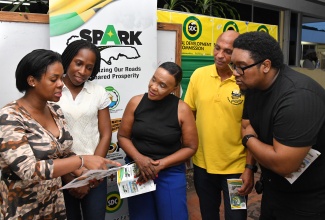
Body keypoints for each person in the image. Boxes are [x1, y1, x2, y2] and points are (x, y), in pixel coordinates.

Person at [0, 49, 120, 220]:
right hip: (24, 209)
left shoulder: (55, 110)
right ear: (32, 81)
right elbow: (28, 170)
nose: (61, 84)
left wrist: (85, 173)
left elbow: (63, 153)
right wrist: (83, 160)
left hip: (55, 205)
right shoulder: (10, 116)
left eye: (60, 77)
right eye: (53, 79)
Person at [231, 31, 325, 219]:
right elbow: (246, 124)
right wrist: (250, 168)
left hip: (306, 201)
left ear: (265, 65)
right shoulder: (252, 87)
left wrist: (248, 138)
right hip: (273, 190)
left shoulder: (298, 97)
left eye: (241, 67)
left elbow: (284, 164)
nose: (234, 72)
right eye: (232, 65)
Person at [184, 30, 255, 220]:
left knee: (236, 217)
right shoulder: (199, 75)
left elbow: (251, 129)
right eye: (217, 48)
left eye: (228, 51)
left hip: (236, 168)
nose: (220, 55)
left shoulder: (245, 82)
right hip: (203, 166)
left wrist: (249, 168)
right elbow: (189, 114)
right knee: (208, 214)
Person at [117, 61, 198, 220]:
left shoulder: (182, 109)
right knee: (140, 216)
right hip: (136, 169)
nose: (154, 87)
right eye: (154, 79)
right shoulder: (135, 102)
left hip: (170, 172)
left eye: (162, 85)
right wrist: (139, 159)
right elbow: (122, 136)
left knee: (174, 216)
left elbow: (191, 147)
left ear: (173, 89)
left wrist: (161, 164)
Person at [57, 39, 112, 220]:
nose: (82, 71)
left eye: (89, 67)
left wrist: (92, 174)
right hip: (61, 174)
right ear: (68, 60)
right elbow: (48, 139)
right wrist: (68, 178)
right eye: (78, 63)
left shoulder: (99, 92)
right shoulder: (52, 90)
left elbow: (105, 134)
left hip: (94, 174)